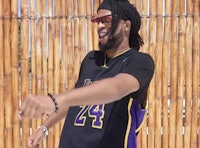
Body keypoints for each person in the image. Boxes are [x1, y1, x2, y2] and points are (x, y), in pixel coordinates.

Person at [19, 0, 155, 147]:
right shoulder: (91, 59)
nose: (100, 26)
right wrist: (43, 128)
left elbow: (116, 88)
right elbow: (74, 100)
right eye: (98, 21)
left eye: (107, 21)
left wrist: (56, 99)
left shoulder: (140, 62)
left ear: (126, 25)